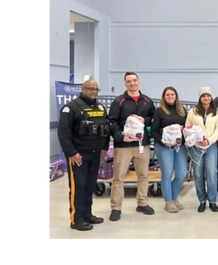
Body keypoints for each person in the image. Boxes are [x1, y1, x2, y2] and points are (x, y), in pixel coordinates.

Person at [57, 80, 110, 231]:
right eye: (90, 89)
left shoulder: (99, 107)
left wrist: (104, 147)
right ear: (82, 89)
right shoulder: (71, 108)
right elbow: (63, 133)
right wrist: (72, 153)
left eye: (96, 89)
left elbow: (105, 128)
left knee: (89, 186)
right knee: (78, 188)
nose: (93, 91)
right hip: (78, 156)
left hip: (95, 155)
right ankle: (76, 219)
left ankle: (87, 214)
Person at [108, 72, 156, 222]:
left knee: (143, 175)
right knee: (118, 178)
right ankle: (116, 207)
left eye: (134, 80)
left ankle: (142, 203)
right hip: (124, 146)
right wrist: (121, 137)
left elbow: (154, 119)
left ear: (139, 82)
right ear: (125, 84)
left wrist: (145, 119)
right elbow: (112, 122)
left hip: (143, 144)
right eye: (129, 81)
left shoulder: (147, 101)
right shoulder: (118, 101)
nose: (132, 83)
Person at [186, 86, 218, 213]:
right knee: (198, 174)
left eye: (208, 95)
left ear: (211, 97)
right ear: (200, 97)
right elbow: (187, 127)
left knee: (212, 174)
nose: (206, 97)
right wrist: (194, 139)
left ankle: (212, 201)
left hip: (210, 146)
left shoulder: (216, 112)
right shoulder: (193, 111)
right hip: (196, 148)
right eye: (203, 95)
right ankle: (202, 200)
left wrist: (209, 140)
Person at [151, 86, 188, 213]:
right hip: (164, 147)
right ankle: (168, 201)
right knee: (167, 173)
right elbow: (153, 131)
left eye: (172, 94)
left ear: (176, 96)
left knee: (182, 173)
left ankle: (173, 197)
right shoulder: (159, 111)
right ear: (164, 97)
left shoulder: (182, 110)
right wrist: (163, 141)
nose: (170, 96)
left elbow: (187, 128)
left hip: (179, 146)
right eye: (167, 95)